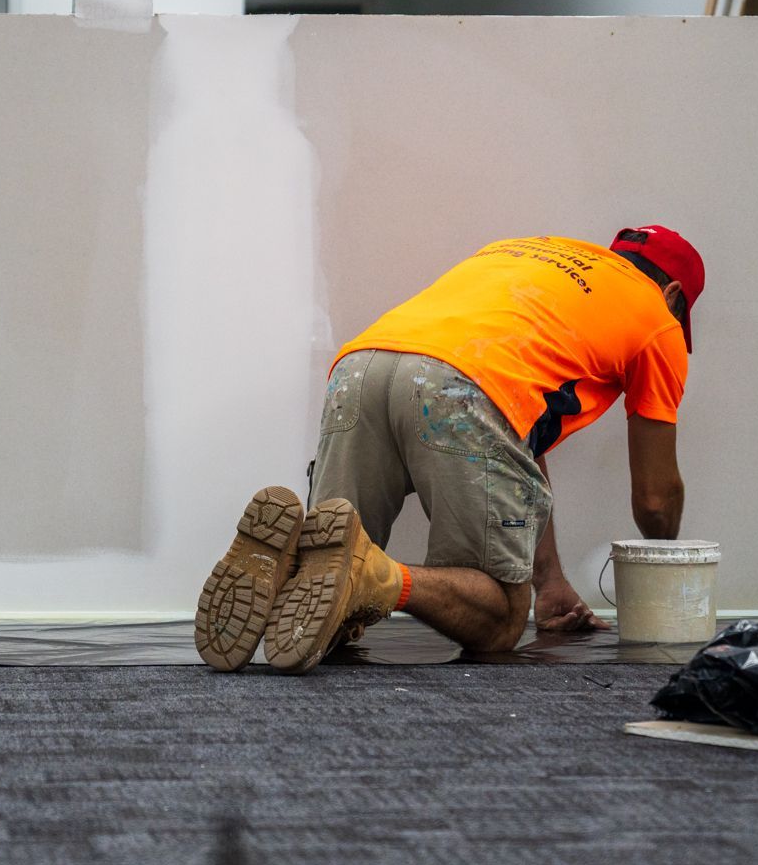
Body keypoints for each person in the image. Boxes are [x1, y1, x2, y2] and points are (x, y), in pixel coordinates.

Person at [195, 227, 704, 674]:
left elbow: (519, 442)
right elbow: (656, 502)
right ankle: (378, 575)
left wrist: (551, 583)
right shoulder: (657, 319)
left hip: (360, 368)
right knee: (501, 617)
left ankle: (281, 570)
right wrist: (672, 568)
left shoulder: (528, 251)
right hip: (460, 389)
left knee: (332, 608)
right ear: (675, 294)